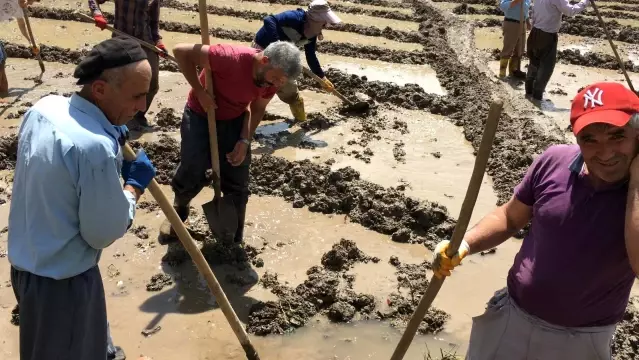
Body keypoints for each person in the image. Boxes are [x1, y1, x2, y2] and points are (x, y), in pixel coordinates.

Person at [433, 81, 639, 360]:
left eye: (617, 136)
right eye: (590, 139)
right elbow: (509, 217)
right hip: (511, 316)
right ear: (577, 139)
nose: (605, 153)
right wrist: (465, 245)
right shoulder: (553, 161)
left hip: (580, 340)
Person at [7, 37, 156, 360]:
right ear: (100, 90)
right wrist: (133, 187)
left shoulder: (44, 108)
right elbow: (102, 232)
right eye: (137, 95)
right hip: (63, 284)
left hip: (25, 266)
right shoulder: (94, 150)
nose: (143, 106)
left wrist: (110, 133)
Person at [158, 41, 302, 246]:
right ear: (264, 60)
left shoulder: (269, 83)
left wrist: (245, 140)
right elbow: (180, 51)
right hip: (200, 114)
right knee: (193, 167)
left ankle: (233, 237)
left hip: (235, 119)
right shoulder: (228, 57)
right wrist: (199, 91)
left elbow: (257, 108)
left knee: (238, 176)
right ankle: (179, 212)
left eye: (282, 81)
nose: (277, 85)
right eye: (276, 78)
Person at [253, 0, 340, 122]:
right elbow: (269, 20)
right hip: (262, 52)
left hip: (283, 59)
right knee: (256, 87)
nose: (325, 25)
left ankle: (301, 121)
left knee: (291, 93)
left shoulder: (311, 33)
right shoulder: (295, 18)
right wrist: (278, 44)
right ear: (315, 19)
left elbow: (311, 56)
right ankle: (246, 119)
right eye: (324, 22)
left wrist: (322, 78)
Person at [88, 0, 166, 129]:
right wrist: (97, 14)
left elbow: (153, 23)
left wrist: (158, 41)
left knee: (152, 84)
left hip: (146, 43)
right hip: (122, 42)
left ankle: (137, 117)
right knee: (118, 84)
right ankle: (112, 117)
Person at [525, 0, 589, 101]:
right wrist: (585, 2)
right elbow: (570, 11)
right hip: (547, 34)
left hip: (535, 32)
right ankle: (537, 95)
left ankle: (528, 91)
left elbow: (533, 13)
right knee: (546, 66)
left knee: (534, 62)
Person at [0, 0, 39, 100]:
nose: (31, 4)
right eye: (32, 1)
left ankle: (3, 96)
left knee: (2, 59)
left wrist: (30, 42)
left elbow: (22, 25)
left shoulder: (20, 9)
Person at [498, 0, 531, 79]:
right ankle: (502, 73)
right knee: (508, 48)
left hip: (522, 24)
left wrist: (528, 22)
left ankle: (513, 72)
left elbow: (525, 11)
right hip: (511, 23)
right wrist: (516, 1)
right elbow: (502, 7)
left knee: (519, 49)